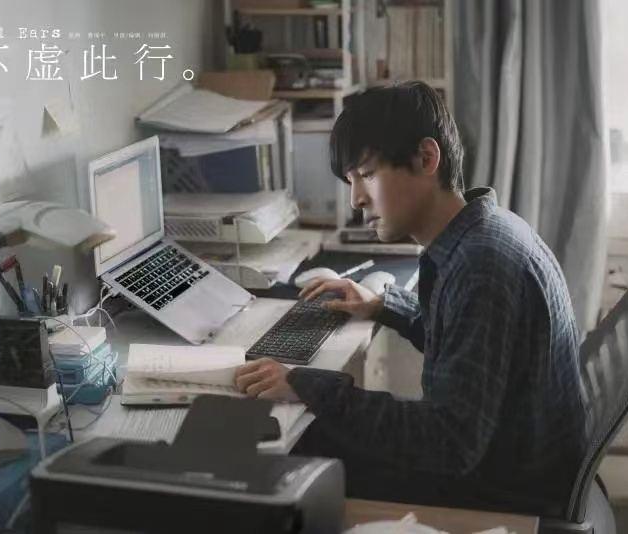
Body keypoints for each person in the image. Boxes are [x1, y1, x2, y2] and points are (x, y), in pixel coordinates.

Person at [235, 82, 587, 517]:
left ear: (426, 158)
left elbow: (448, 443)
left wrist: (306, 384)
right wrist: (384, 305)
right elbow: (463, 344)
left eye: (367, 174)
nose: (356, 199)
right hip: (515, 463)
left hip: (507, 492)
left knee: (292, 453)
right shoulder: (487, 231)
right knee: (312, 430)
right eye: (350, 181)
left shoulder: (480, 268)